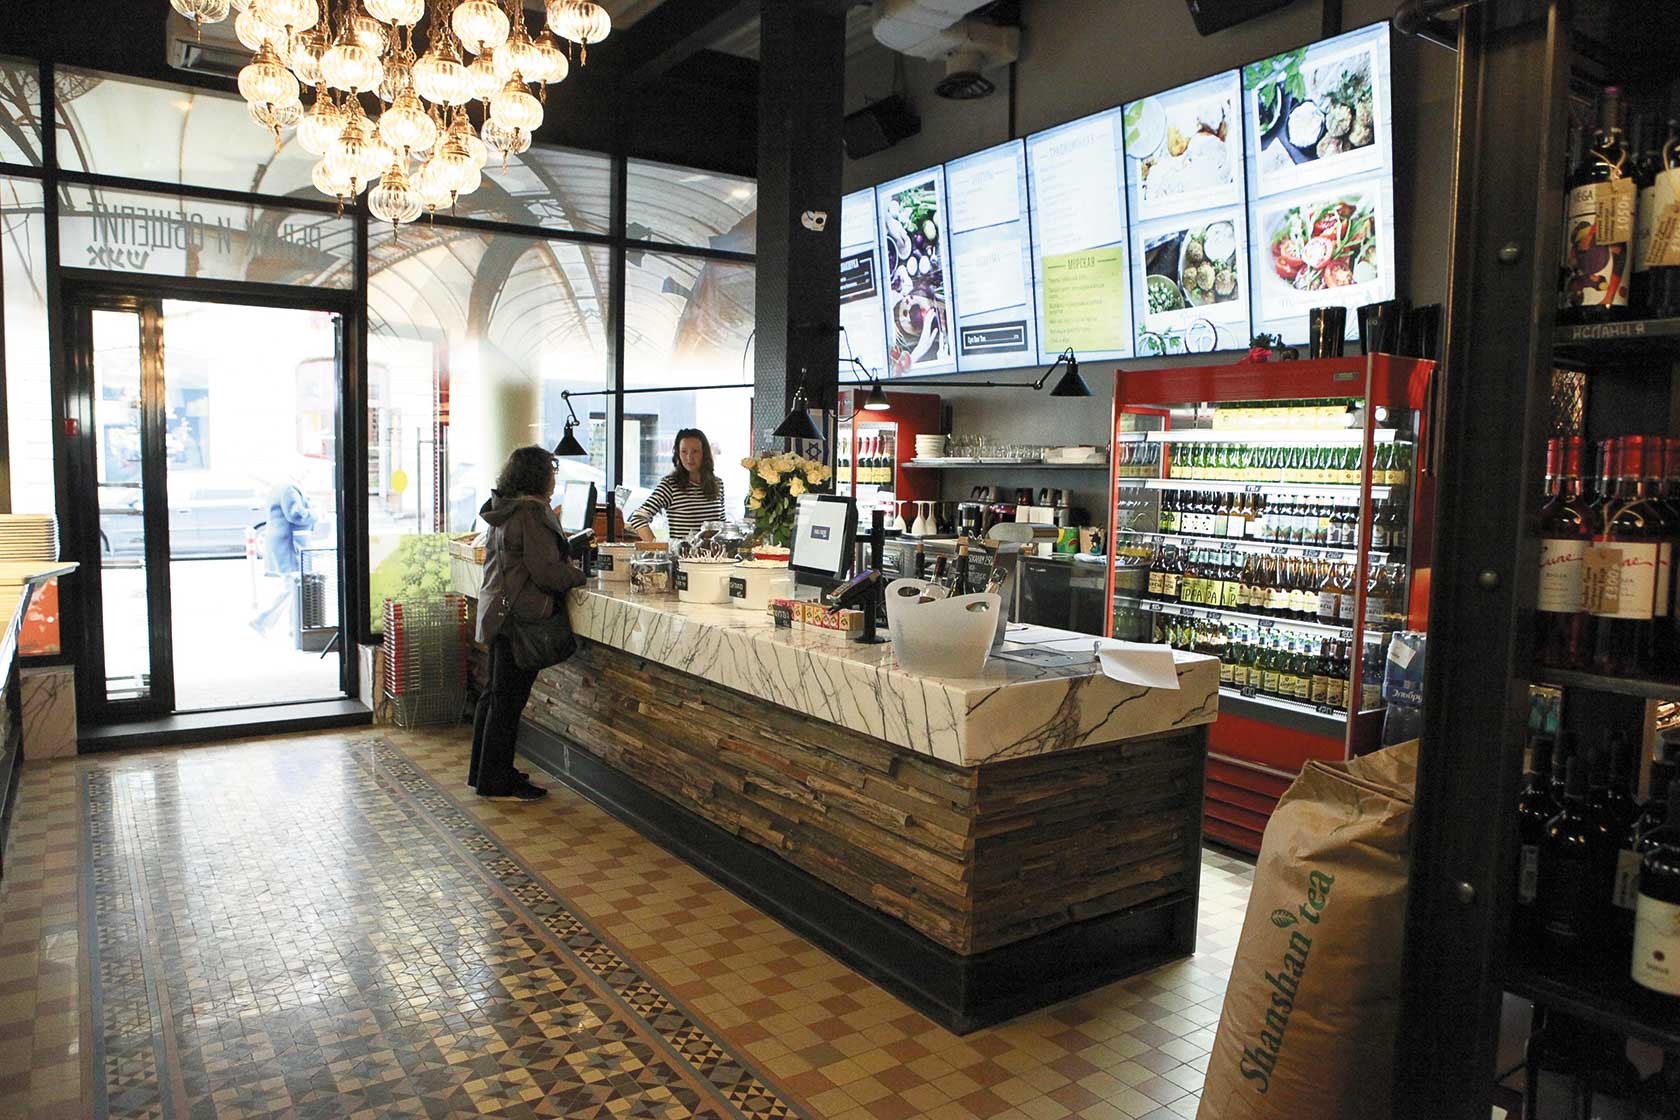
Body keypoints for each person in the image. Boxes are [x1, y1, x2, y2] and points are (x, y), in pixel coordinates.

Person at [470, 446, 586, 801]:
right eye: (551, 473)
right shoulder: (532, 514)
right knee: (507, 702)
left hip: (499, 611)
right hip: (520, 615)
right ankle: (497, 779)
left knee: (494, 697)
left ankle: (484, 772)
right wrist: (578, 575)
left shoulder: (504, 509)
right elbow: (545, 571)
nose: (554, 480)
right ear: (540, 477)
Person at [627, 428, 726, 542]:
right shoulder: (670, 485)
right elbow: (638, 517)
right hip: (683, 553)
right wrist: (656, 547)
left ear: (704, 453)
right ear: (678, 454)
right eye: (684, 451)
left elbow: (723, 526)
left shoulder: (718, 484)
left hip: (716, 553)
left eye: (695, 451)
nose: (689, 457)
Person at [251, 468, 317, 636]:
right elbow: (296, 515)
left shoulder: (279, 487)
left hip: (283, 543)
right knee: (294, 586)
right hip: (289, 544)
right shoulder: (289, 489)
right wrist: (314, 514)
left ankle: (292, 627)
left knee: (294, 586)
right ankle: (263, 621)